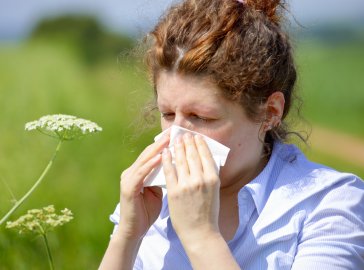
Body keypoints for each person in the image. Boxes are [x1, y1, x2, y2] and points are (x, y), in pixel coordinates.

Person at [99, 0, 364, 269]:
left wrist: (201, 237)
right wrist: (128, 235)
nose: (176, 136)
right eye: (167, 114)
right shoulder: (154, 200)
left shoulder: (330, 205)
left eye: (202, 117)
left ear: (270, 112)